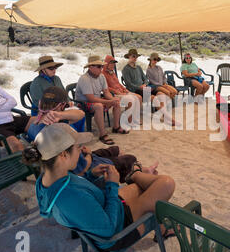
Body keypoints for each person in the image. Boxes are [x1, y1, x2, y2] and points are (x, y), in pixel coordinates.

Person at [22, 123, 176, 252]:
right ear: (63, 155)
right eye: (78, 147)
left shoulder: (47, 179)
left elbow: (74, 193)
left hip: (100, 211)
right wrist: (111, 185)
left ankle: (135, 176)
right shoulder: (70, 197)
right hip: (116, 232)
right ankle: (134, 175)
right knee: (166, 184)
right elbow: (108, 229)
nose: (81, 150)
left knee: (147, 189)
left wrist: (90, 176)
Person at [28, 87, 159, 182]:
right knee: (129, 158)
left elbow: (80, 114)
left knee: (116, 149)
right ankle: (138, 171)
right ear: (62, 105)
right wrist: (89, 156)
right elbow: (79, 169)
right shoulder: (57, 131)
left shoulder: (35, 123)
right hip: (84, 165)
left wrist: (60, 114)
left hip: (78, 154)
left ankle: (128, 167)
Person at [75, 56, 130, 145]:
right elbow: (90, 98)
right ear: (90, 67)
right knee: (99, 106)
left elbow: (106, 92)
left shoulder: (101, 76)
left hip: (96, 99)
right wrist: (108, 102)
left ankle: (116, 127)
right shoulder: (84, 79)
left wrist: (113, 100)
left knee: (116, 102)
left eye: (101, 66)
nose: (101, 68)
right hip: (83, 103)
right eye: (99, 66)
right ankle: (102, 134)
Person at [30, 55, 85, 131]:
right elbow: (39, 104)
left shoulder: (57, 78)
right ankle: (72, 135)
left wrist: (68, 101)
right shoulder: (36, 83)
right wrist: (58, 109)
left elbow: (63, 92)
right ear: (43, 70)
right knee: (68, 123)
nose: (54, 70)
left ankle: (77, 135)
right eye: (51, 68)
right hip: (43, 111)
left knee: (79, 114)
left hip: (59, 107)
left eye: (55, 67)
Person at [101, 55, 142, 126]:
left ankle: (135, 118)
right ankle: (129, 120)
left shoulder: (112, 73)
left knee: (139, 97)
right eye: (111, 63)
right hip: (114, 94)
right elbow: (105, 88)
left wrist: (125, 90)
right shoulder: (103, 74)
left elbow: (118, 84)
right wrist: (116, 91)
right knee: (131, 99)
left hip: (120, 91)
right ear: (107, 63)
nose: (113, 65)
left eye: (114, 63)